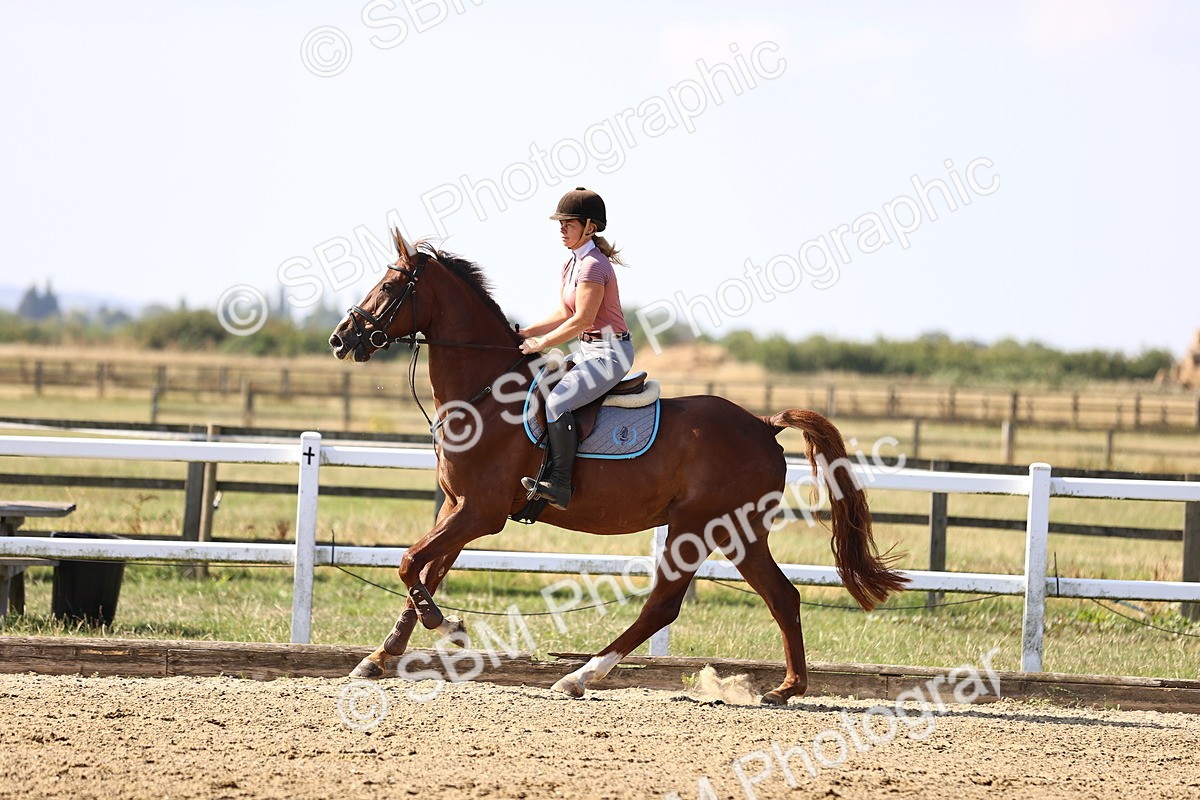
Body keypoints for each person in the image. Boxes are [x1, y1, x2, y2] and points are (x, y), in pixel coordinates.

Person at [517, 187, 634, 510]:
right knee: (538, 386)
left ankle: (560, 484)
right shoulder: (572, 264)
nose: (562, 229)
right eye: (561, 223)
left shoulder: (594, 265)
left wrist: (541, 343)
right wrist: (527, 331)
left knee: (557, 402)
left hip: (610, 355)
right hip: (588, 351)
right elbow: (563, 312)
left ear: (590, 228)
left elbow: (583, 319)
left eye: (568, 224)